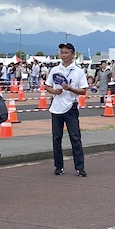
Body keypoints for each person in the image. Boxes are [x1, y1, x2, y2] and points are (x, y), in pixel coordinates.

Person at [48, 42, 88, 177]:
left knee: (75, 137)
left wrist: (70, 89)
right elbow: (47, 86)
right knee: (56, 138)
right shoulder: (55, 70)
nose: (63, 55)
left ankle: (79, 167)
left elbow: (83, 90)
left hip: (71, 107)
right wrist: (54, 90)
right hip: (56, 108)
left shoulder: (78, 71)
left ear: (73, 54)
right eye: (62, 52)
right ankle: (58, 166)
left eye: (66, 52)